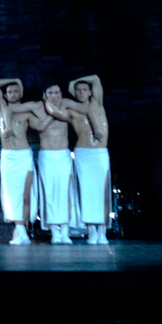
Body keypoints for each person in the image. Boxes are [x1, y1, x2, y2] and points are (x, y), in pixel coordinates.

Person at [44, 74, 111, 245]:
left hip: (100, 152)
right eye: (78, 90)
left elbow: (96, 78)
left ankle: (102, 231)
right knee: (86, 193)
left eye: (84, 89)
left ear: (90, 92)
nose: (81, 92)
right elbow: (53, 111)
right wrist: (47, 99)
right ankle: (92, 231)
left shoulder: (97, 103)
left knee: (102, 192)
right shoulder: (73, 111)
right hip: (83, 153)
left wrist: (73, 82)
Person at [0, 78, 50, 244]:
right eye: (10, 92)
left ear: (20, 93)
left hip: (24, 155)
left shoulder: (26, 113)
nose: (13, 94)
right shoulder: (0, 108)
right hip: (8, 157)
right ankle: (19, 230)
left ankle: (22, 230)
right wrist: (16, 80)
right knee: (11, 195)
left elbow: (40, 126)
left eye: (16, 91)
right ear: (5, 95)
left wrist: (52, 115)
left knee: (26, 194)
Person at [37, 84, 76, 244]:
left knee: (65, 192)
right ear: (45, 95)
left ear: (61, 93)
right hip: (46, 155)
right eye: (50, 93)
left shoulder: (66, 106)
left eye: (57, 92)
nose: (54, 95)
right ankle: (54, 232)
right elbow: (39, 126)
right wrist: (50, 111)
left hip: (63, 154)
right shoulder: (38, 108)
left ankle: (65, 231)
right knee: (49, 192)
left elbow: (80, 111)